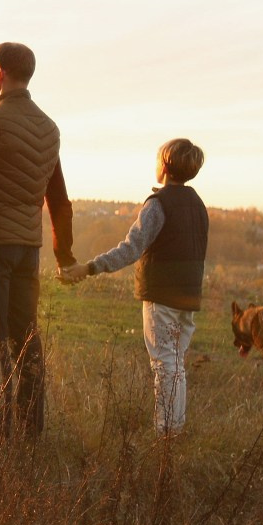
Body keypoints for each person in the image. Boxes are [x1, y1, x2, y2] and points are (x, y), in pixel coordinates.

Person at [60, 138, 208, 436]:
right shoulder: (198, 205)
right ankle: (174, 430)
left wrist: (89, 268)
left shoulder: (158, 204)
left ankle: (166, 433)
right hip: (188, 296)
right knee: (176, 363)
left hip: (161, 296)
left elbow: (131, 248)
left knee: (165, 365)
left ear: (164, 165)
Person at [0, 41, 74, 438]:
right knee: (27, 339)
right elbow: (59, 201)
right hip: (30, 249)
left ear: (1, 72)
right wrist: (65, 254)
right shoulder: (49, 128)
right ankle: (31, 430)